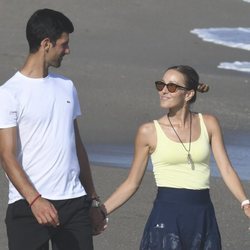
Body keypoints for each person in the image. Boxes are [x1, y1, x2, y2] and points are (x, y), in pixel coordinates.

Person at [103, 65, 250, 249]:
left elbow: (226, 169)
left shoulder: (209, 124)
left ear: (188, 94)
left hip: (202, 215)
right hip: (166, 217)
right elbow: (132, 182)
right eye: (161, 85)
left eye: (171, 87)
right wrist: (102, 211)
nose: (163, 91)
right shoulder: (149, 132)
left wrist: (245, 202)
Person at [0, 9, 106, 250]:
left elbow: (76, 146)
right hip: (27, 206)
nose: (67, 50)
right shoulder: (8, 93)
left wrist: (92, 200)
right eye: (63, 44)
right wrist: (35, 200)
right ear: (46, 44)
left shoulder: (67, 87)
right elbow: (6, 156)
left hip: (73, 204)